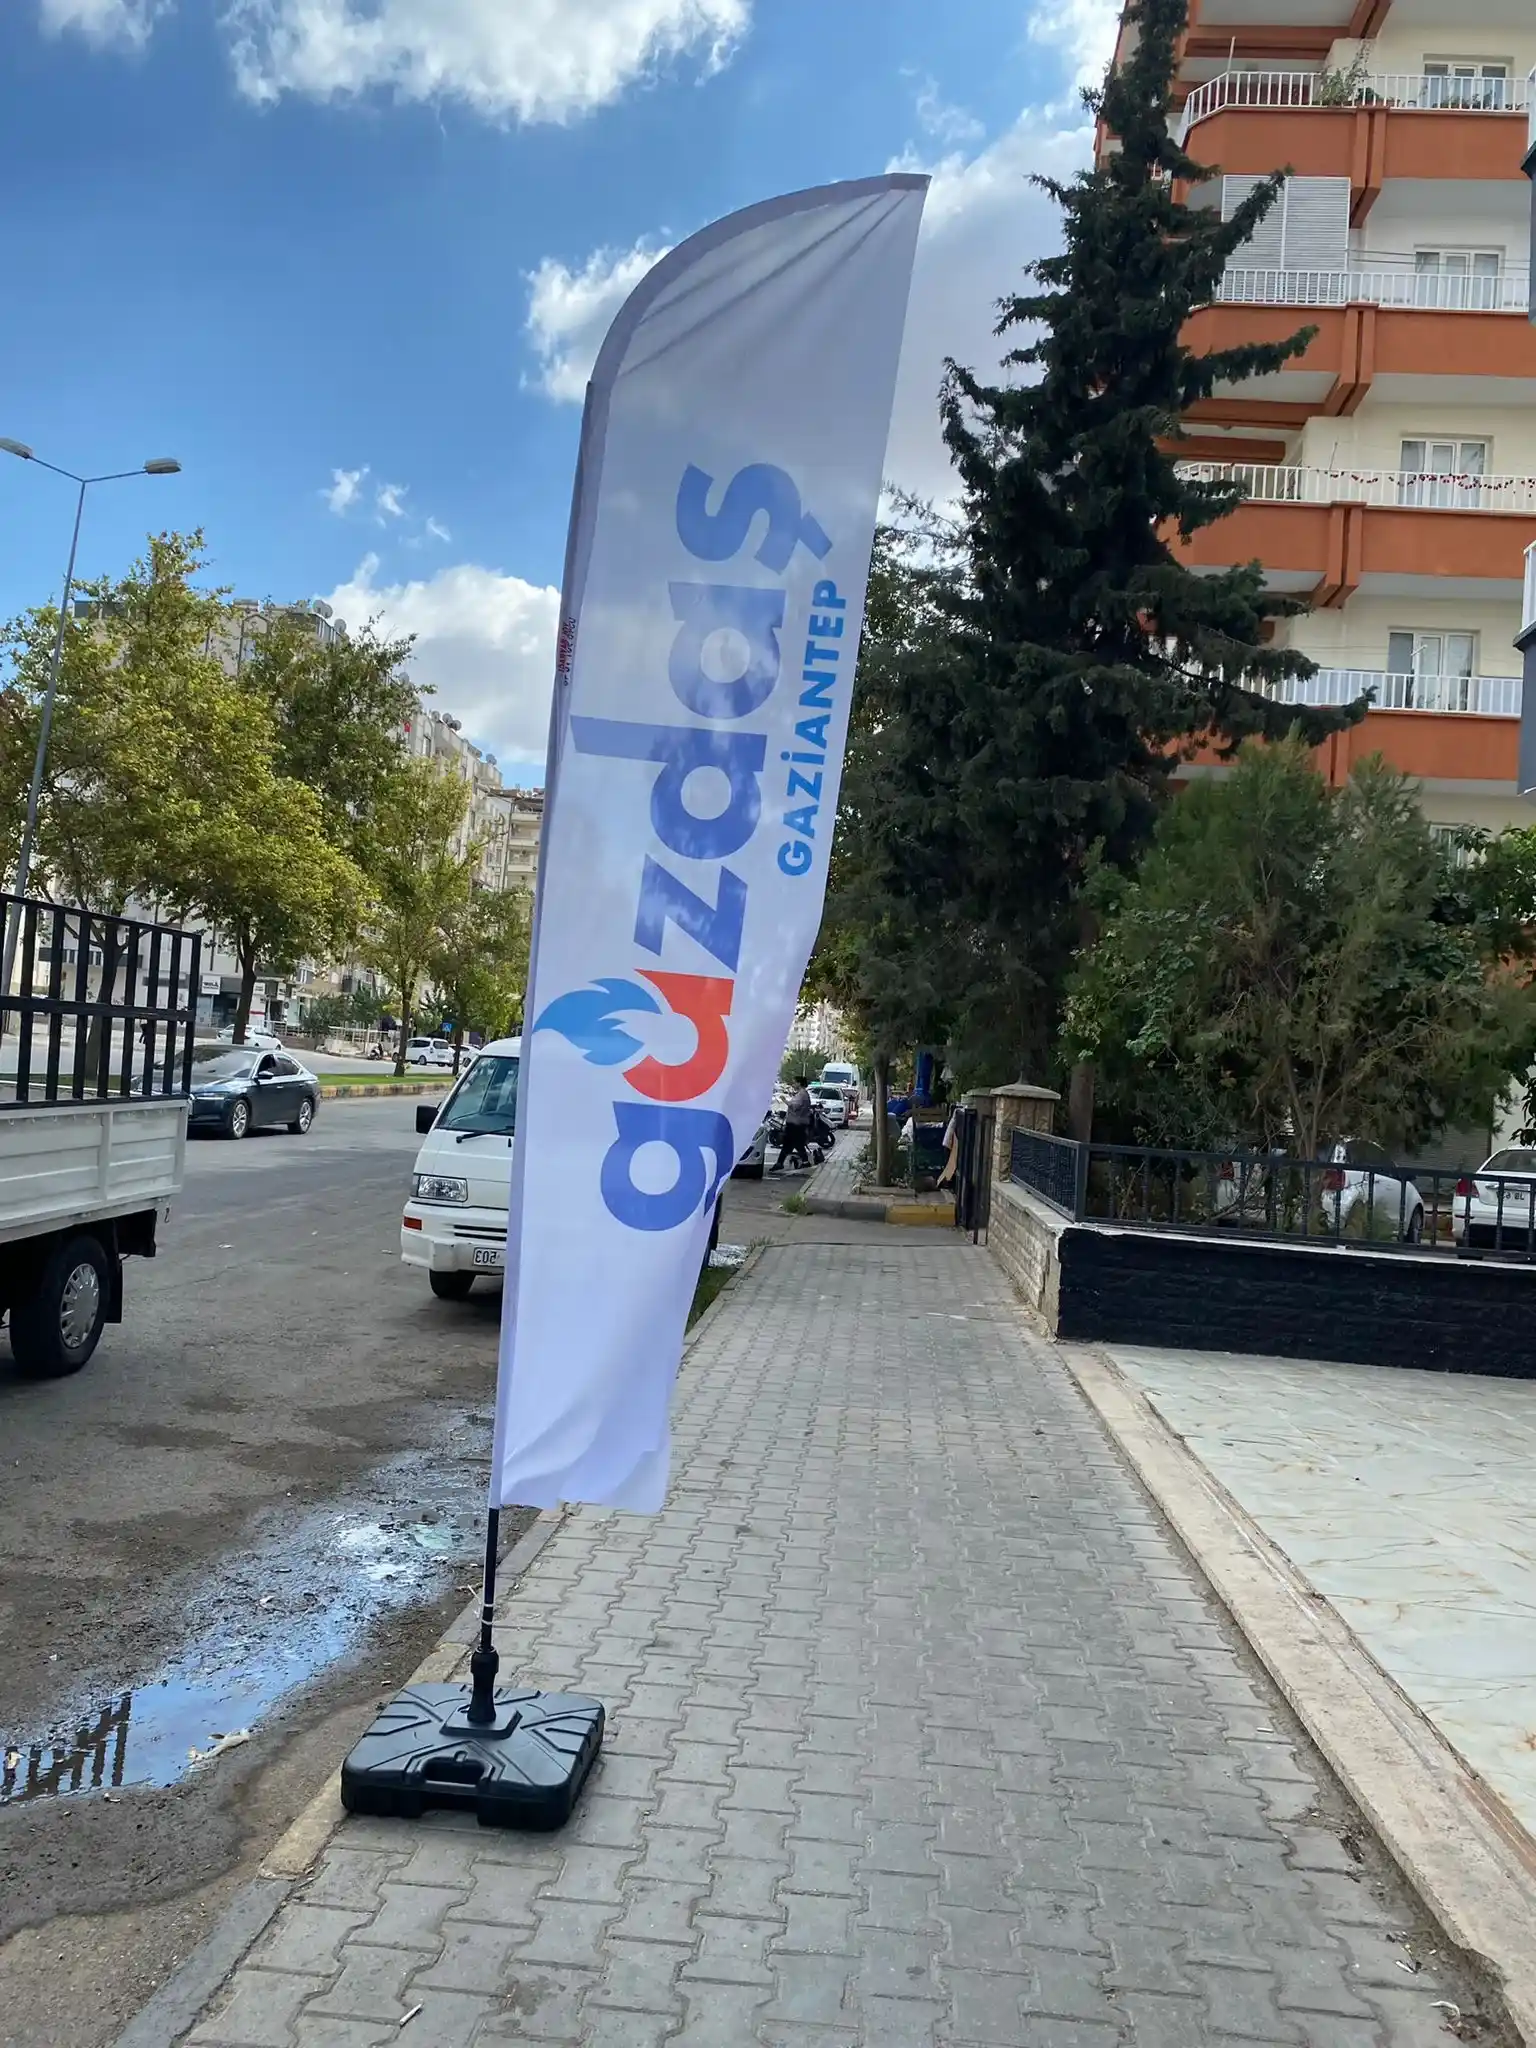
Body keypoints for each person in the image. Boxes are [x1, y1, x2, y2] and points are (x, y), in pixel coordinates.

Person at [770, 1075, 814, 1172]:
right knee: (790, 1144)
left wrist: (784, 1100)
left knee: (795, 1143)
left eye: (794, 1083)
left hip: (796, 1124)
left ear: (799, 1083)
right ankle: (780, 1163)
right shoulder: (801, 1094)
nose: (793, 1085)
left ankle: (803, 1161)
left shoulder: (802, 1094)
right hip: (795, 1123)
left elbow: (795, 1106)